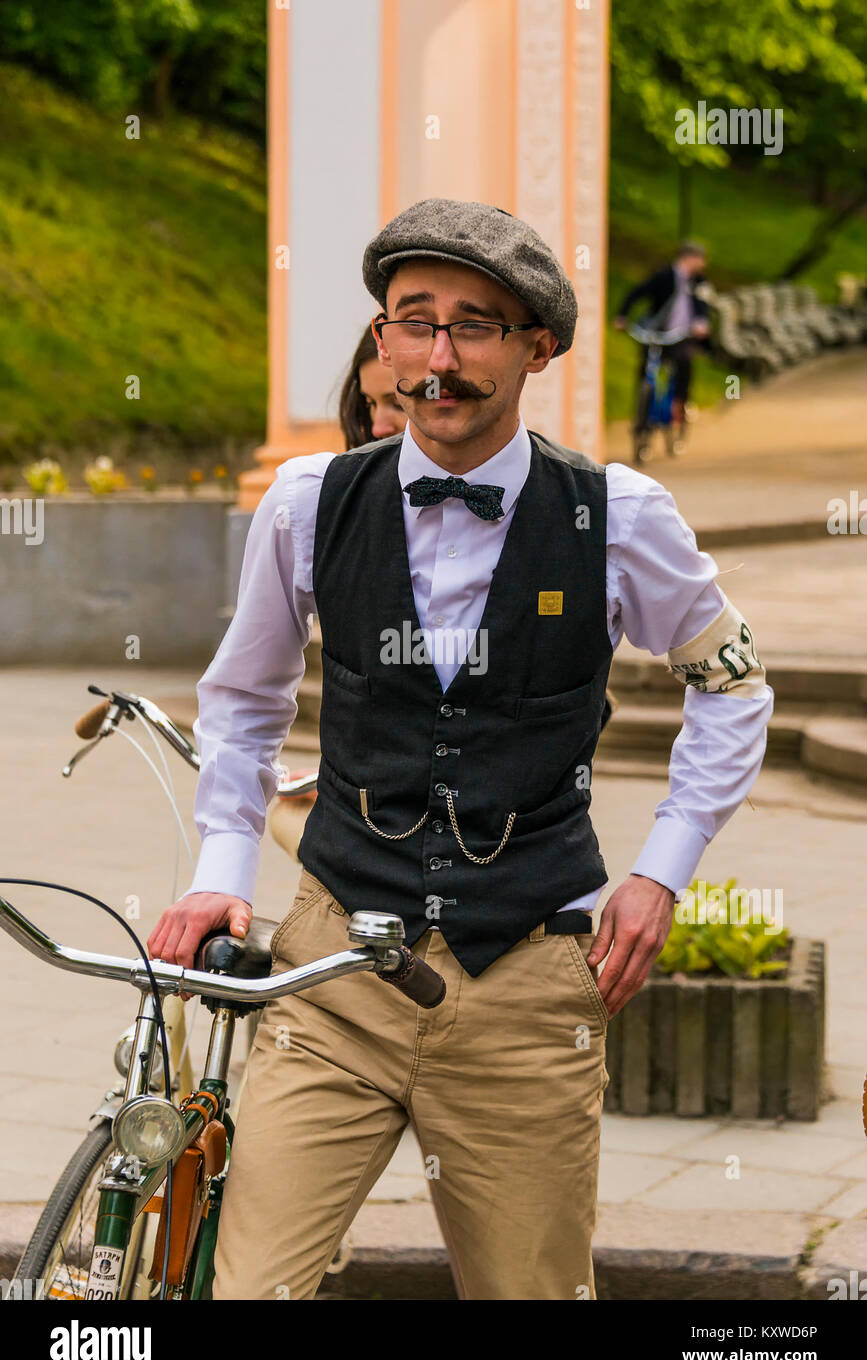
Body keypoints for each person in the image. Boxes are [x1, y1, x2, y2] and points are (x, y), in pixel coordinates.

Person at [148, 198, 773, 1300]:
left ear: (538, 347)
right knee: (242, 1291)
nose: (440, 359)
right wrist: (220, 871)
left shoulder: (620, 518)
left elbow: (733, 684)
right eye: (415, 321)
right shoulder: (306, 504)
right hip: (333, 973)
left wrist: (661, 873)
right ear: (382, 342)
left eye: (475, 326)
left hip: (526, 987)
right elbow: (243, 699)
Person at [614, 239, 711, 431]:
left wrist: (701, 322)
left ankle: (679, 405)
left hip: (681, 335)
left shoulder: (699, 282)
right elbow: (637, 293)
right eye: (700, 259)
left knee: (684, 362)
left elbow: (702, 305)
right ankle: (642, 414)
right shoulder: (664, 276)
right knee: (646, 367)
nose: (703, 264)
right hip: (657, 334)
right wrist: (622, 316)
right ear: (689, 258)